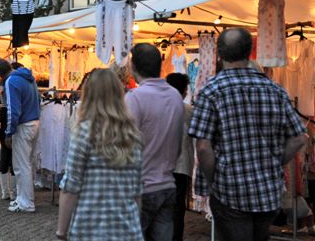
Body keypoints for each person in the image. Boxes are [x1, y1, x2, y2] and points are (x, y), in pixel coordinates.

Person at [189, 28, 306, 241]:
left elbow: (203, 146)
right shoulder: (275, 90)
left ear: (219, 54)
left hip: (229, 189)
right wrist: (274, 161)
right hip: (267, 190)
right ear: (249, 52)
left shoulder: (211, 91)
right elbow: (299, 137)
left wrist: (213, 179)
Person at [56, 69, 143, 240]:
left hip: (90, 228)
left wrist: (61, 230)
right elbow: (137, 191)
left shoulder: (84, 133)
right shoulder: (132, 135)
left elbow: (70, 187)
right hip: (127, 229)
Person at [126, 43, 184, 241]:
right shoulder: (176, 96)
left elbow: (126, 147)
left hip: (141, 187)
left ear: (134, 66)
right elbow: (177, 142)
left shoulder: (135, 98)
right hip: (167, 183)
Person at [0, 59, 41, 213]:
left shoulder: (11, 81)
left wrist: (9, 132)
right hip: (34, 122)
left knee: (21, 165)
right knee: (27, 163)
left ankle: (26, 202)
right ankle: (22, 198)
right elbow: (38, 100)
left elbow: (13, 109)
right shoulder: (29, 78)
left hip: (23, 125)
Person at [166, 72, 194, 241]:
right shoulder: (189, 110)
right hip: (182, 164)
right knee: (177, 207)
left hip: (160, 163)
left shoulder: (158, 106)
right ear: (184, 91)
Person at [0, 63, 15, 201]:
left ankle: (5, 192)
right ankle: (11, 192)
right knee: (12, 153)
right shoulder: (13, 79)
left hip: (3, 114)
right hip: (10, 114)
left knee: (6, 153)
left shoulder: (3, 81)